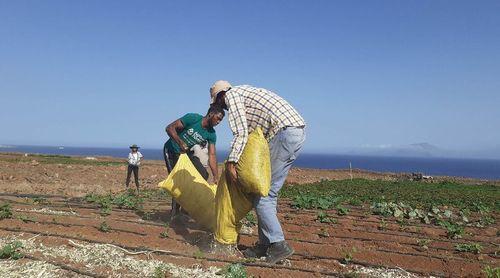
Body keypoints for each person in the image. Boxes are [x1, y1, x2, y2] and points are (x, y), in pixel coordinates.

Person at [210, 80, 306, 264]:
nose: (221, 107)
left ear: (221, 95)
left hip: (283, 134)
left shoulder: (232, 96)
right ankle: (265, 244)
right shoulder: (246, 92)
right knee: (269, 193)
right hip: (296, 133)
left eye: (217, 102)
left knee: (263, 195)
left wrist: (232, 162)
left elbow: (241, 133)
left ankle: (278, 245)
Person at [163, 105, 225, 218]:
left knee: (202, 174)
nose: (219, 122)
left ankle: (186, 208)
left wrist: (216, 176)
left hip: (186, 153)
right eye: (218, 118)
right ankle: (175, 214)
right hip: (172, 151)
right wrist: (180, 142)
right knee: (177, 182)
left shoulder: (211, 134)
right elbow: (169, 128)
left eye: (221, 120)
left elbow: (212, 155)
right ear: (211, 114)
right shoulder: (193, 118)